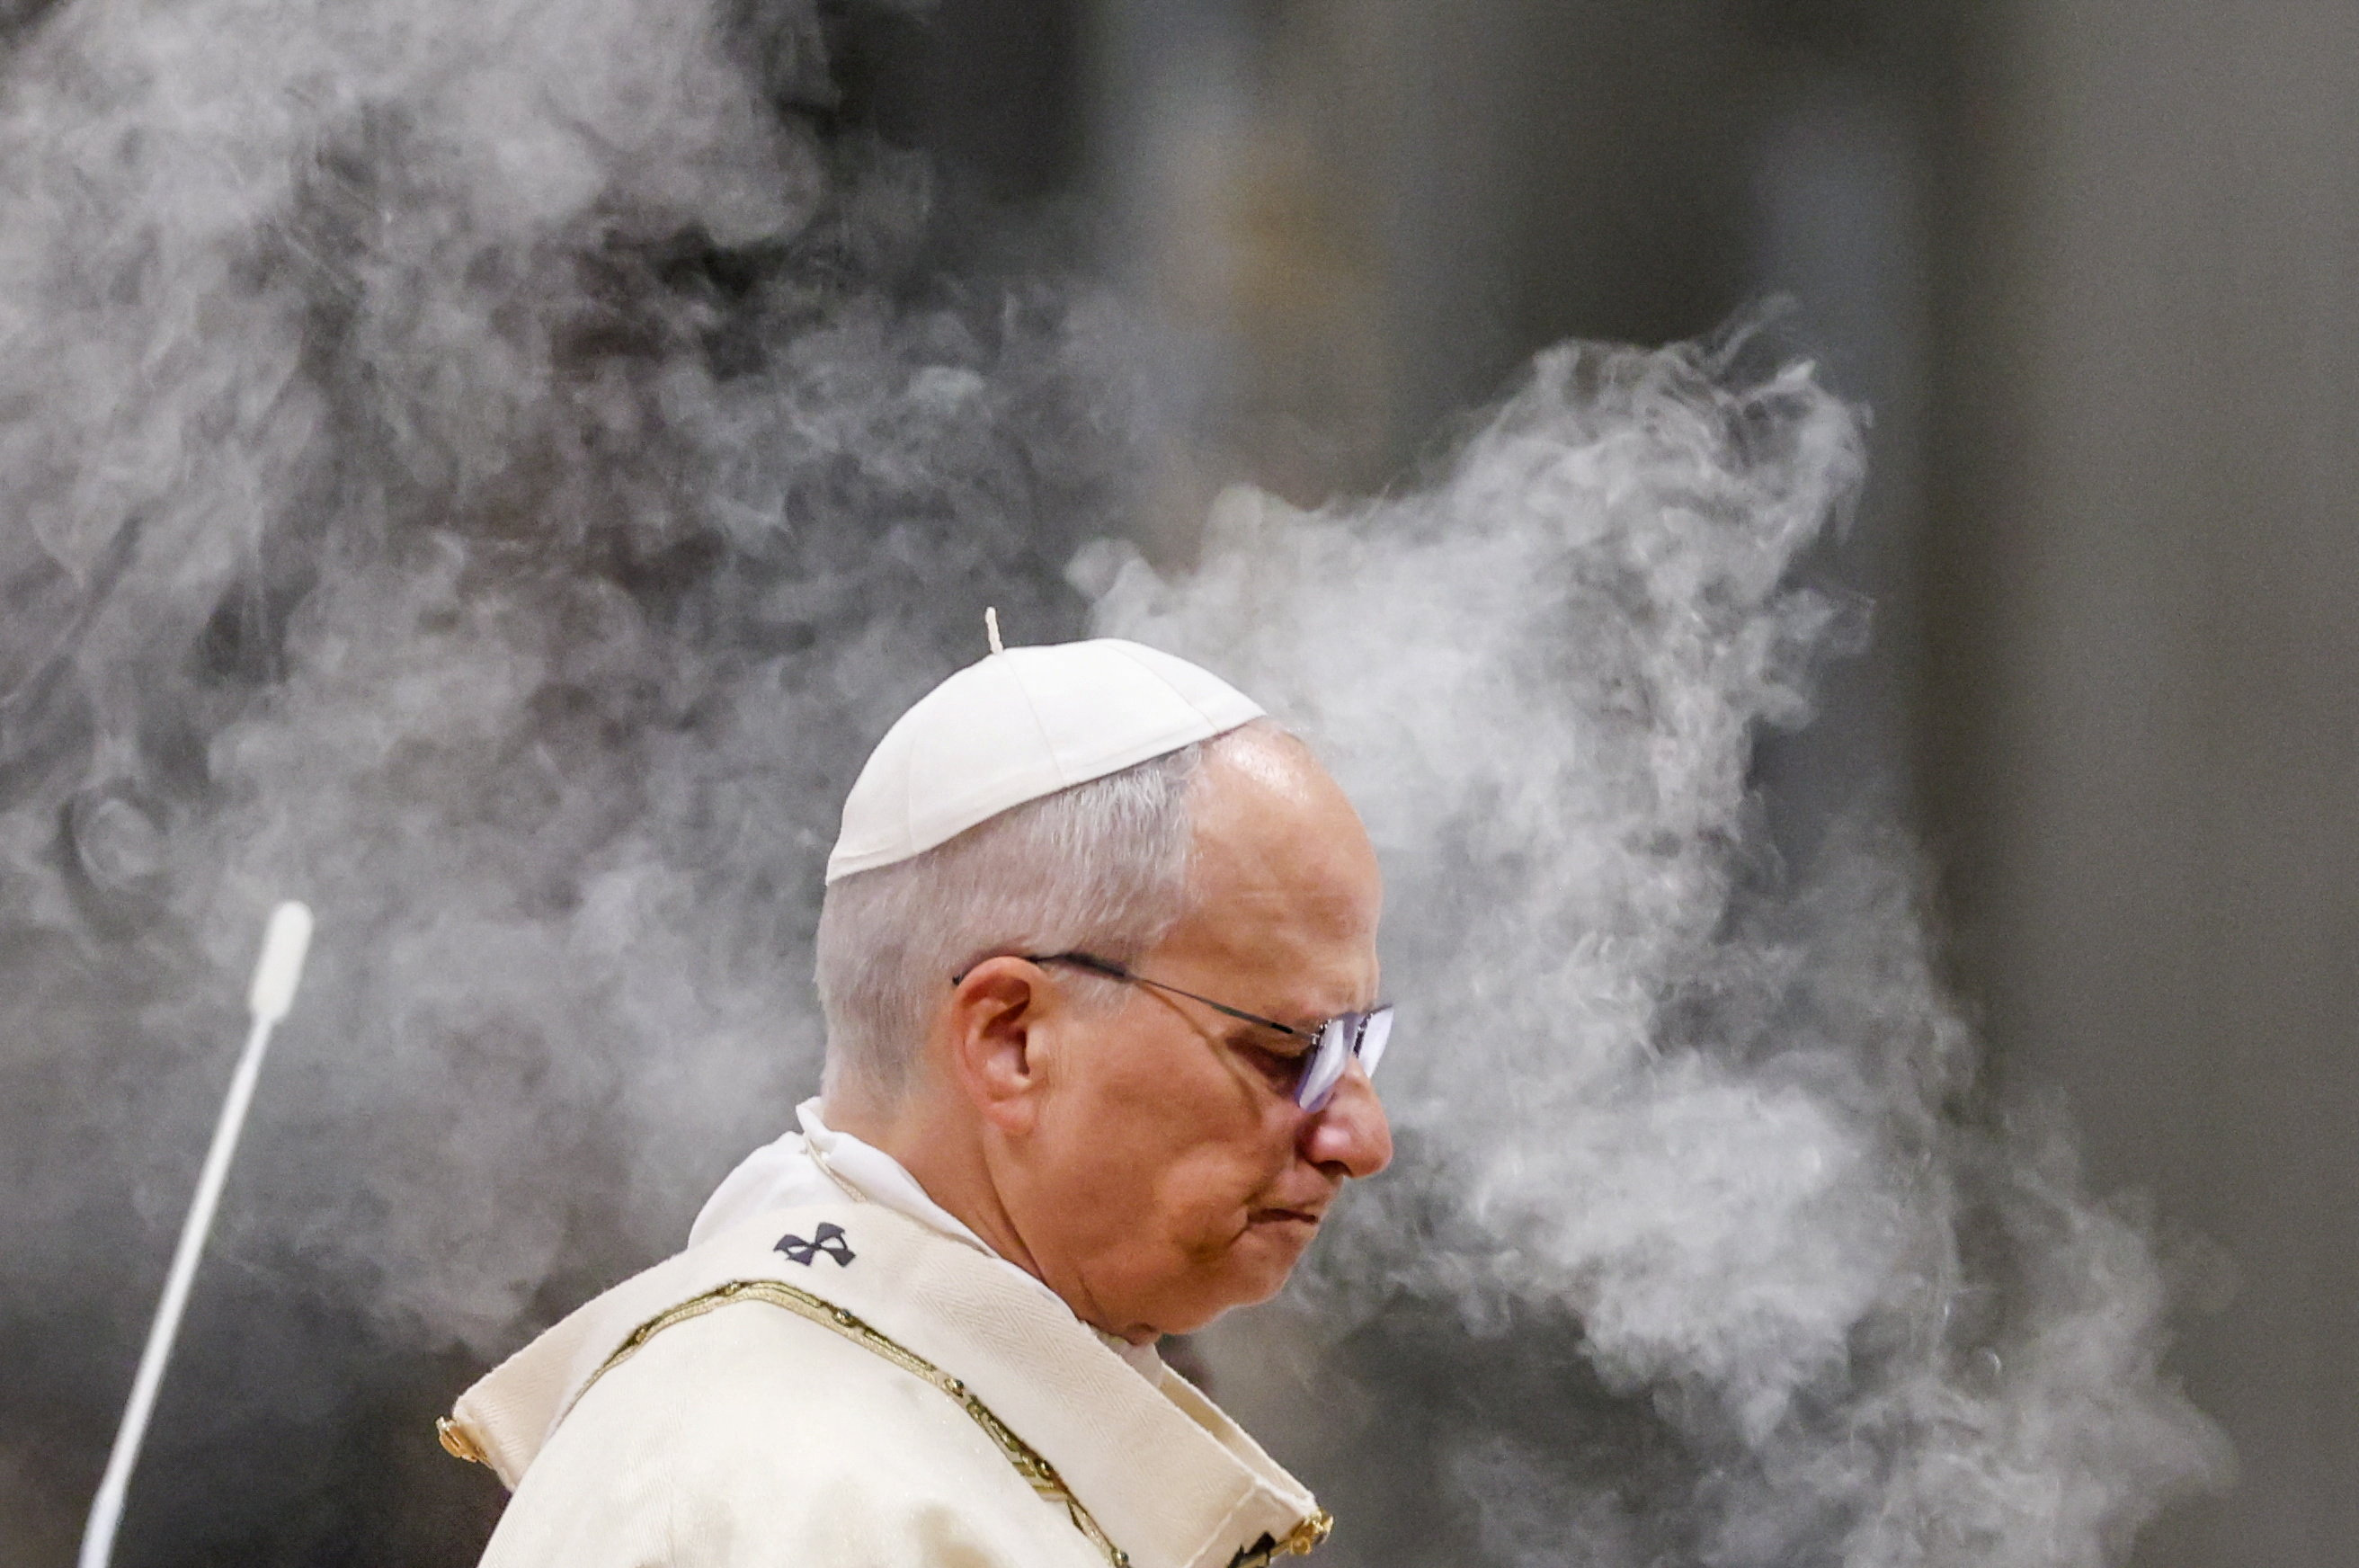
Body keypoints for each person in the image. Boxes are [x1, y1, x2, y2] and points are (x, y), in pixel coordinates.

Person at [438, 634, 1395, 1568]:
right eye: (1285, 1048)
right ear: (1010, 1039)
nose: (1361, 1137)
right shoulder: (770, 1491)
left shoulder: (946, 1438)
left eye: (1361, 1046)